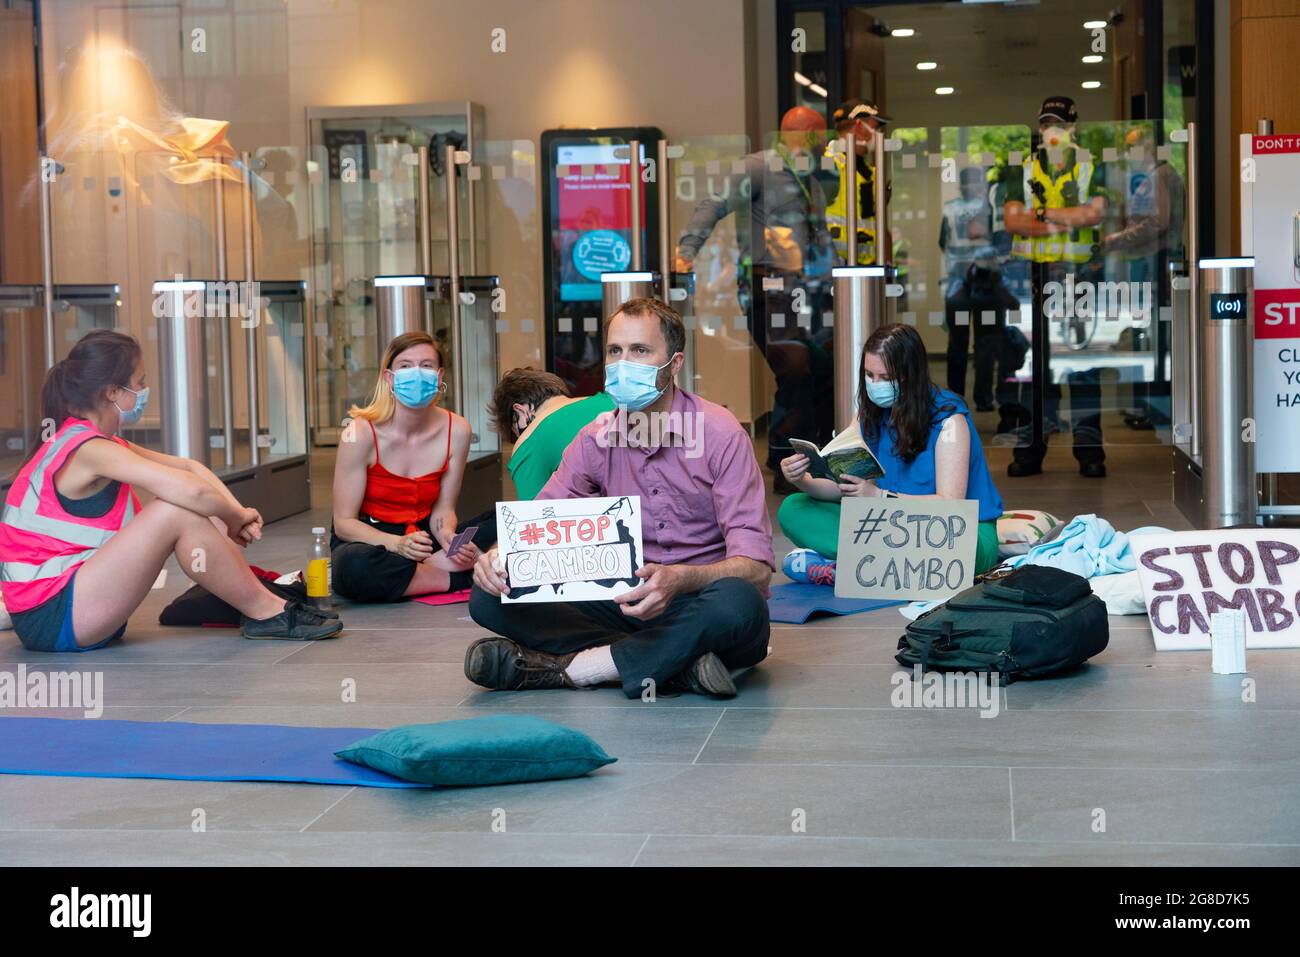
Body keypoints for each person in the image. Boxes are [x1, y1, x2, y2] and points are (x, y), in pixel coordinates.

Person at [466, 298, 774, 699]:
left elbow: (757, 567)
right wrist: (497, 558)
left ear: (675, 363)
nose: (623, 363)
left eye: (640, 351)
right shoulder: (594, 438)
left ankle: (575, 669)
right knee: (489, 597)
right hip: (623, 601)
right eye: (615, 351)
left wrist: (681, 579)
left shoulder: (721, 434)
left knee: (739, 602)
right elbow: (537, 524)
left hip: (698, 603)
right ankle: (675, 664)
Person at [0, 330, 342, 651]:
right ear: (112, 392)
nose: (145, 390)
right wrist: (235, 516)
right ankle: (268, 612)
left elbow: (190, 469)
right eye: (140, 382)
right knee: (176, 509)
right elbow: (190, 492)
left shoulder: (100, 443)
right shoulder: (88, 450)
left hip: (74, 605)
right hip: (52, 618)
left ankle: (266, 606)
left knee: (191, 505)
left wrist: (231, 511)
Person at [673, 105, 836, 484]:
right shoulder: (758, 166)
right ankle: (785, 458)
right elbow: (713, 204)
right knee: (795, 368)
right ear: (808, 136)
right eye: (821, 136)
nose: (825, 145)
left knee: (825, 370)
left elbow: (821, 234)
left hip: (811, 289)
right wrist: (686, 251)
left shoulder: (812, 180)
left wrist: (836, 278)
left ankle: (813, 457)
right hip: (770, 287)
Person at [777, 323, 1004, 575]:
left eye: (886, 378)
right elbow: (846, 487)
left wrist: (879, 498)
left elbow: (950, 506)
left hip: (951, 529)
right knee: (794, 508)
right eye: (869, 375)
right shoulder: (868, 413)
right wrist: (802, 480)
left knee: (964, 551)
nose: (875, 384)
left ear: (911, 375)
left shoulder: (949, 420)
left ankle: (854, 564)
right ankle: (885, 565)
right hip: (889, 525)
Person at [330, 331, 482, 602]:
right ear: (389, 378)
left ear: (439, 376)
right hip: (371, 540)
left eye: (426, 366)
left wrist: (447, 535)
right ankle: (458, 577)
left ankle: (419, 573)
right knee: (354, 567)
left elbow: (444, 510)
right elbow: (344, 523)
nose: (417, 373)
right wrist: (397, 545)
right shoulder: (360, 433)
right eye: (405, 366)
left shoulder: (457, 430)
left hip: (424, 537)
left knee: (497, 524)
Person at [1003, 95, 1108, 478]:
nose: (1053, 131)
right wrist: (1066, 220)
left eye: (1060, 124)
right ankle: (1030, 452)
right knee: (1037, 368)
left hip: (1079, 274)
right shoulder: (1025, 165)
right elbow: (1013, 220)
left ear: (1073, 127)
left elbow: (1094, 212)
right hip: (1034, 276)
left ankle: (1090, 453)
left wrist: (1043, 214)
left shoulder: (1089, 164)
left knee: (1082, 364)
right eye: (1047, 124)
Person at [488, 368, 615, 500]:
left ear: (520, 410)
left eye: (515, 433)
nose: (519, 438)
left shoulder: (530, 441)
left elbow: (533, 516)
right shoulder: (610, 401)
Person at [827, 98, 891, 266]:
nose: (878, 134)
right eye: (875, 127)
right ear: (859, 127)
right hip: (836, 269)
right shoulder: (829, 166)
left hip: (868, 268)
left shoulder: (869, 171)